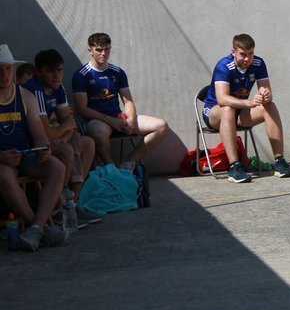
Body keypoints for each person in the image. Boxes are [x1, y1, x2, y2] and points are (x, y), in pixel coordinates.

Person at [0, 44, 68, 251]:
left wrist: (43, 149)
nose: (4, 74)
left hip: (25, 155)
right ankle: (37, 227)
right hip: (3, 160)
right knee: (3, 173)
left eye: (7, 68)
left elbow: (39, 135)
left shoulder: (25, 96)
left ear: (13, 68)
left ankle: (36, 228)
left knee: (57, 166)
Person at [202, 33, 290, 183]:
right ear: (233, 52)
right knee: (227, 109)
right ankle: (234, 167)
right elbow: (222, 99)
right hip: (215, 111)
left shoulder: (258, 63)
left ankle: (279, 161)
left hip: (240, 112)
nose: (247, 59)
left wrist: (264, 95)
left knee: (269, 106)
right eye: (243, 54)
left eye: (251, 54)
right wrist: (249, 103)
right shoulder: (224, 65)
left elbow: (267, 92)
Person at [71, 32, 170, 170]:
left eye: (107, 49)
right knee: (99, 132)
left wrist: (131, 119)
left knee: (161, 125)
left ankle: (129, 163)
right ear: (90, 50)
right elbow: (82, 109)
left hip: (118, 118)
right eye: (99, 50)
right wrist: (110, 120)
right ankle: (111, 169)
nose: (103, 53)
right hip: (96, 121)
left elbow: (128, 101)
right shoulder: (82, 75)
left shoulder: (117, 72)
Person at [26, 49, 102, 223]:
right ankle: (59, 208)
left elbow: (70, 124)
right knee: (67, 149)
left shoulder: (58, 87)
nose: (56, 75)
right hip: (34, 145)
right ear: (38, 72)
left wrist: (64, 132)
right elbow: (48, 133)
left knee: (88, 143)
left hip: (56, 139)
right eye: (50, 70)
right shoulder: (34, 89)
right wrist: (65, 129)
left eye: (59, 70)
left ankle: (72, 205)